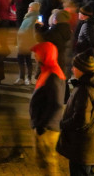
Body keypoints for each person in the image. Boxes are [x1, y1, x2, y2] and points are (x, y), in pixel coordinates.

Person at [57, 54, 94, 176]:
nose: (72, 69)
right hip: (89, 144)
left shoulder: (85, 90)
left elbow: (81, 120)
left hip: (81, 146)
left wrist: (62, 124)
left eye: (74, 67)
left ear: (82, 69)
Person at [30, 41, 65, 176]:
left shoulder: (53, 75)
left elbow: (56, 104)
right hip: (42, 126)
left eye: (37, 53)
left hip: (47, 129)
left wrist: (43, 125)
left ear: (46, 55)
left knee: (49, 162)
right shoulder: (47, 71)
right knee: (43, 161)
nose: (35, 56)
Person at [16, 2, 41, 85]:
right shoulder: (28, 17)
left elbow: (34, 31)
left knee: (24, 60)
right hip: (23, 42)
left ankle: (24, 78)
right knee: (26, 60)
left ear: (33, 8)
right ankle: (25, 78)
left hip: (26, 42)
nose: (28, 8)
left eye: (30, 7)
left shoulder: (34, 18)